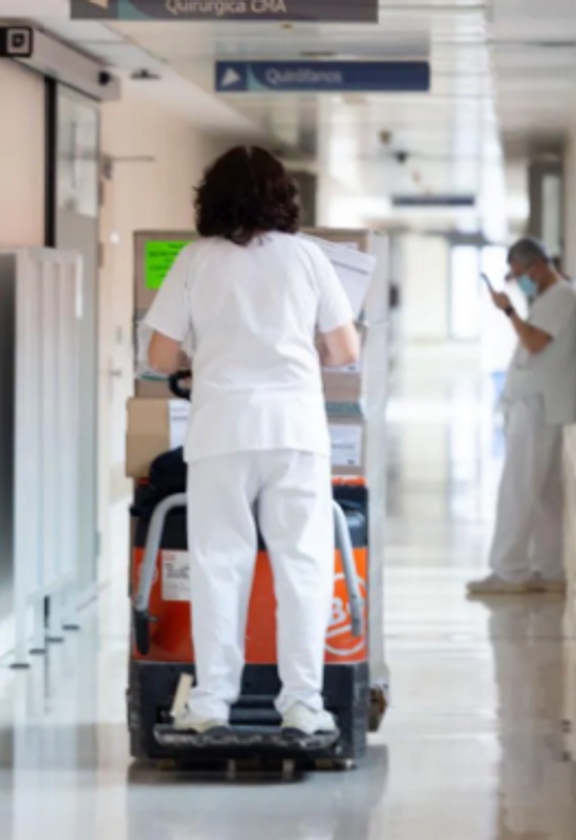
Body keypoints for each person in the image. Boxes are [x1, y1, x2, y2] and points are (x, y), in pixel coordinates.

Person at [144, 146, 361, 736]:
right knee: (303, 566)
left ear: (210, 199)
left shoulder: (194, 260)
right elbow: (345, 349)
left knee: (219, 564)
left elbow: (159, 354)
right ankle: (302, 703)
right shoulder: (309, 257)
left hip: (221, 431)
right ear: (283, 198)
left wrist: (209, 354)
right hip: (294, 430)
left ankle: (212, 700)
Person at [468, 237, 576, 596]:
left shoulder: (560, 297)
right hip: (539, 404)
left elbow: (534, 343)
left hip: (537, 406)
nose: (518, 281)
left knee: (517, 489)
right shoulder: (552, 297)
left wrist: (508, 310)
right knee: (545, 493)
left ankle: (510, 570)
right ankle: (548, 568)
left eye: (519, 274)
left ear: (536, 266)